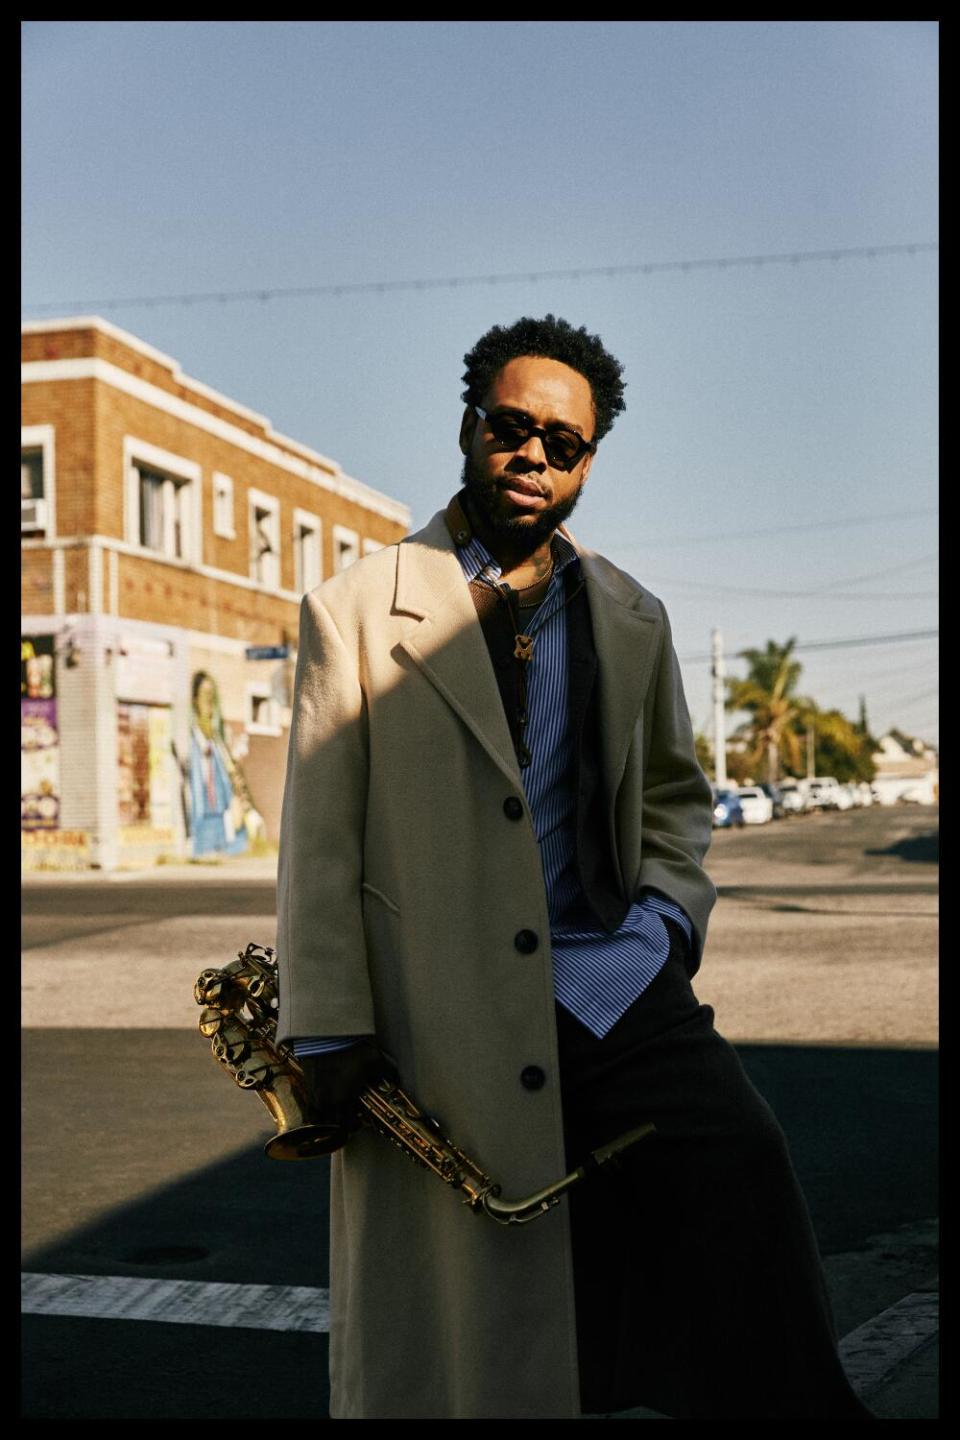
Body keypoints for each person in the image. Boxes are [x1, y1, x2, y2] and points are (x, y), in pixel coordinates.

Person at [275, 315, 873, 1420]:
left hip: (613, 985)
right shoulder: (355, 610)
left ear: (590, 461)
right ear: (469, 427)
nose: (534, 457)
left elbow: (675, 804)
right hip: (440, 1008)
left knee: (739, 1173)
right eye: (512, 429)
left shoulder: (631, 615)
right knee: (480, 1295)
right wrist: (325, 1022)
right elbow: (320, 834)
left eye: (564, 443)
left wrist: (660, 932)